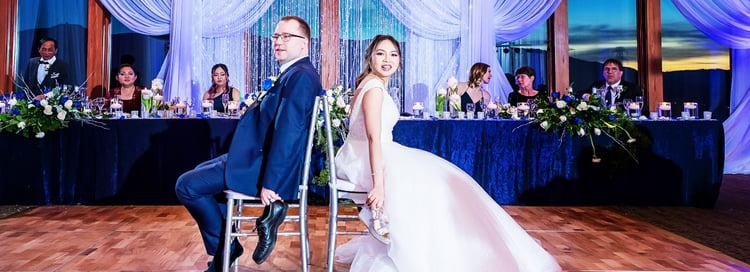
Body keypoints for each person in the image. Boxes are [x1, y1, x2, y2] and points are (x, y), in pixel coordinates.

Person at [333, 35, 561, 272]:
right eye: (381, 53)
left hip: (366, 152)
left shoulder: (372, 84)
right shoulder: (374, 89)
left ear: (400, 60)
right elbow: (372, 138)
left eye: (393, 54)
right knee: (438, 182)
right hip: (365, 157)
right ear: (370, 57)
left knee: (442, 176)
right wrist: (378, 185)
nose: (387, 59)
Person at [175, 16, 321, 271]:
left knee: (186, 185)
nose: (278, 42)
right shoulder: (294, 73)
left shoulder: (301, 77)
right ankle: (224, 249)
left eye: (286, 37)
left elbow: (290, 132)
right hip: (251, 156)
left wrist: (272, 183)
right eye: (276, 37)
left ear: (304, 44)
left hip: (260, 166)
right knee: (199, 170)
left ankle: (226, 249)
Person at [578, 58, 644, 108]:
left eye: (614, 69)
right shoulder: (597, 85)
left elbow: (643, 110)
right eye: (607, 69)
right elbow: (579, 94)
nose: (610, 72)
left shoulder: (632, 88)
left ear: (621, 73)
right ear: (603, 73)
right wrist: (585, 96)